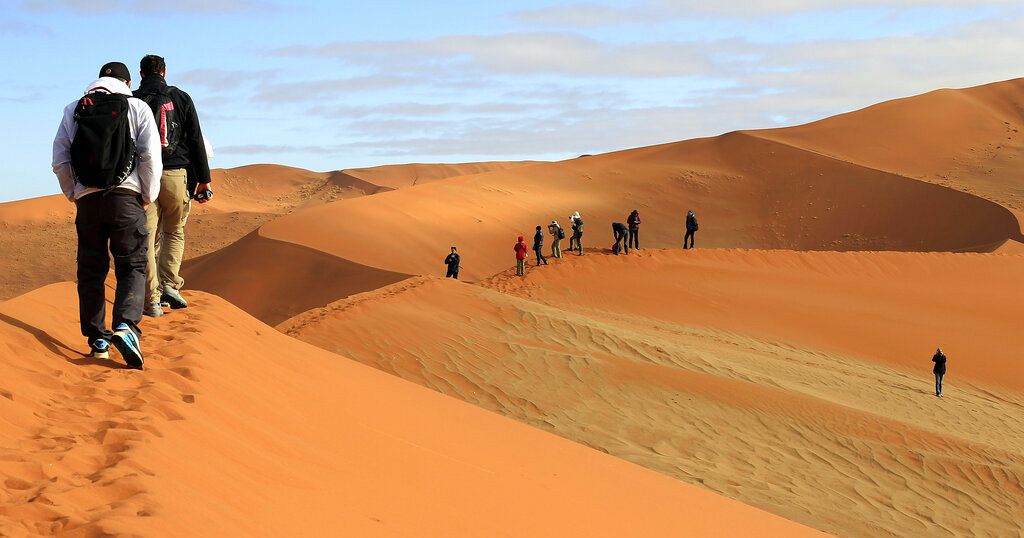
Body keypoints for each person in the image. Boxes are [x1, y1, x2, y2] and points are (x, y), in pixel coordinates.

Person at [52, 62, 162, 369]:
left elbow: (60, 159)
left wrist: (75, 193)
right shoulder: (137, 107)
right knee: (132, 265)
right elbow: (150, 154)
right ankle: (126, 326)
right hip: (127, 198)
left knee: (90, 270)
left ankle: (98, 339)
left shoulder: (74, 108)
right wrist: (147, 195)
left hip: (87, 200)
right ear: (128, 81)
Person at [134, 55, 212, 318]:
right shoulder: (180, 97)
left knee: (146, 238)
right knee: (175, 231)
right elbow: (195, 139)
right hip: (176, 174)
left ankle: (152, 299)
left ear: (141, 74)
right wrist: (204, 179)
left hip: (142, 177)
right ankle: (170, 284)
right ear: (165, 72)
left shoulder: (132, 100)